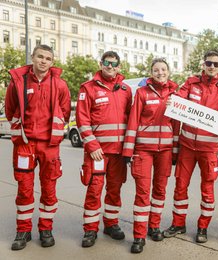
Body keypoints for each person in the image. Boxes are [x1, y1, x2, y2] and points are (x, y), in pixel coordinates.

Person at [163, 50, 218, 243]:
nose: (211, 67)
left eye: (215, 64)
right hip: (187, 146)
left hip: (209, 150)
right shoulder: (191, 83)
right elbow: (179, 100)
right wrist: (173, 101)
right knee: (180, 186)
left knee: (207, 190)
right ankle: (178, 224)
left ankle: (203, 227)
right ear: (203, 64)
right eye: (208, 63)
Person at [5, 44, 71, 250]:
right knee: (24, 190)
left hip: (50, 145)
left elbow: (65, 112)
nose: (43, 61)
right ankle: (23, 231)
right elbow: (10, 109)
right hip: (25, 144)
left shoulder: (60, 85)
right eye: (40, 57)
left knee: (49, 189)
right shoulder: (18, 82)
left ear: (52, 62)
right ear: (32, 57)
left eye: (48, 58)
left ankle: (45, 229)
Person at [122, 58, 179, 253]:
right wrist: (128, 151)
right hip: (143, 150)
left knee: (160, 191)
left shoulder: (175, 94)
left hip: (165, 150)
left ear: (168, 72)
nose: (160, 73)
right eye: (156, 70)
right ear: (151, 73)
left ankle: (154, 226)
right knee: (143, 193)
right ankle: (139, 236)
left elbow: (178, 125)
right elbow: (133, 121)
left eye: (163, 69)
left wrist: (176, 151)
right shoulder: (142, 92)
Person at [76, 51, 132, 248]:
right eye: (107, 63)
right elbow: (82, 119)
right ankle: (90, 229)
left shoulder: (126, 89)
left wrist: (128, 148)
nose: (110, 66)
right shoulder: (88, 88)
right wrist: (92, 145)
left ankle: (111, 224)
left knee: (114, 190)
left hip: (118, 153)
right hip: (97, 152)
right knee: (94, 190)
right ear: (101, 64)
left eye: (114, 64)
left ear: (119, 66)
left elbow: (130, 119)